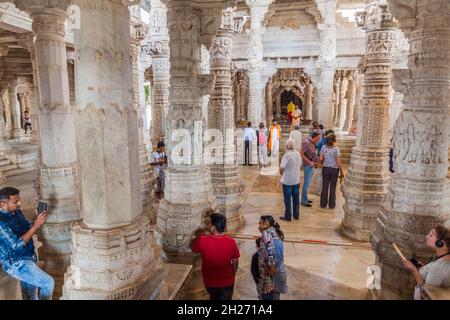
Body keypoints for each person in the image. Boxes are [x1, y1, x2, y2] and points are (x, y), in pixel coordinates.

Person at [0, 187, 54, 300]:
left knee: (31, 295)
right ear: (2, 204)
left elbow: (25, 228)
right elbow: (16, 245)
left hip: (29, 255)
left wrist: (36, 220)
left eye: (19, 200)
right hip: (16, 263)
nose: (19, 204)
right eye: (15, 202)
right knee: (48, 283)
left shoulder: (16, 211)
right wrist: (36, 226)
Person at [190, 213, 240, 300]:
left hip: (210, 282)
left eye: (209, 223)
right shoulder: (231, 241)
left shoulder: (203, 240)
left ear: (213, 227)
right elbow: (235, 261)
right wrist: (233, 274)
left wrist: (201, 234)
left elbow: (194, 249)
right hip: (227, 281)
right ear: (224, 227)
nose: (208, 225)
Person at [402, 225, 450, 300]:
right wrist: (425, 267)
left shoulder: (438, 268)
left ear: (440, 243)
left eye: (430, 235)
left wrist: (414, 270)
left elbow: (425, 292)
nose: (427, 236)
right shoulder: (444, 256)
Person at [258, 215, 288, 300]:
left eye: (260, 223)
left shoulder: (266, 233)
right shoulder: (274, 232)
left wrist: (270, 269)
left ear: (265, 224)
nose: (258, 226)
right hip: (277, 275)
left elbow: (271, 252)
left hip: (270, 278)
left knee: (270, 297)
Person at [319, 134, 345, 209]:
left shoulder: (323, 147)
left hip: (326, 169)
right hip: (334, 170)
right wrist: (342, 172)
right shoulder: (336, 149)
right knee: (333, 187)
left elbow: (321, 159)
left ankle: (323, 204)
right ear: (334, 140)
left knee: (325, 187)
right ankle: (332, 204)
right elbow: (338, 161)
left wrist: (323, 161)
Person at [279, 139, 302, 221]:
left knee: (287, 199)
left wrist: (282, 174)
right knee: (296, 199)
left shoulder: (286, 155)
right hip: (296, 180)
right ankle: (296, 215)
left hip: (288, 181)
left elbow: (281, 168)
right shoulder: (298, 154)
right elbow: (300, 165)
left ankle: (288, 216)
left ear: (286, 146)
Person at [300, 130, 322, 207]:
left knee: (309, 183)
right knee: (306, 183)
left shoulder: (312, 142)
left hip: (312, 165)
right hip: (307, 165)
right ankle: (303, 201)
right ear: (313, 137)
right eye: (317, 139)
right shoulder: (306, 142)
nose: (318, 141)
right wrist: (309, 162)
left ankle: (305, 198)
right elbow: (301, 154)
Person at [315, 130, 334, 196]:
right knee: (320, 177)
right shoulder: (323, 141)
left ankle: (319, 191)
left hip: (323, 161)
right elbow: (318, 151)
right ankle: (319, 191)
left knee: (321, 177)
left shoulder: (323, 141)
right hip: (322, 161)